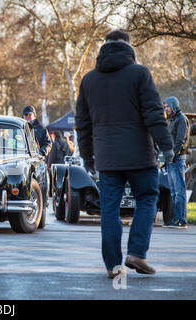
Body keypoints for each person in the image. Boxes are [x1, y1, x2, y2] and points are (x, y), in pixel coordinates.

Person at [75, 30, 174, 278]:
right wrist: (167, 146)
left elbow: (83, 124)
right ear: (129, 47)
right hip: (140, 154)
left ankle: (112, 265)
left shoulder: (89, 80)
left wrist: (88, 157)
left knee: (109, 209)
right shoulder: (139, 74)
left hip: (107, 159)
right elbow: (153, 114)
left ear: (104, 48)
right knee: (147, 198)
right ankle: (137, 253)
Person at [163, 96, 190, 229]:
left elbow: (180, 140)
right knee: (173, 192)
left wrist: (172, 155)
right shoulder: (172, 120)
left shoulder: (181, 119)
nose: (166, 109)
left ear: (173, 105)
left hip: (178, 159)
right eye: (165, 107)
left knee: (179, 191)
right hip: (171, 160)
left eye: (167, 106)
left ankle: (182, 220)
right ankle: (175, 218)